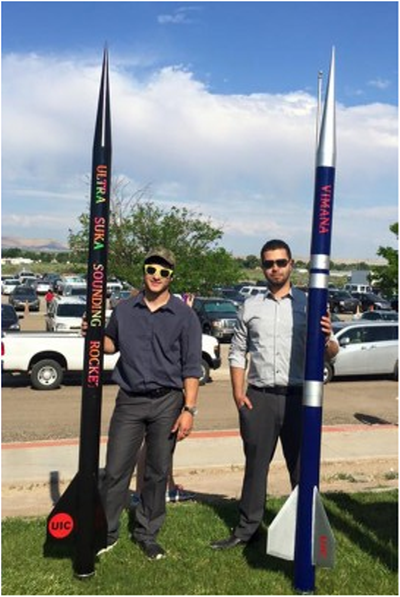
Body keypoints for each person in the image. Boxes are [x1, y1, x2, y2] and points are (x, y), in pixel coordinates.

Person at [210, 239, 339, 550]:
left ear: (291, 264)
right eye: (269, 263)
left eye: (281, 262)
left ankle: (305, 531)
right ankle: (247, 529)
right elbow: (238, 352)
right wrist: (238, 393)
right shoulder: (251, 307)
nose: (275, 268)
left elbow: (331, 353)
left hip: (298, 398)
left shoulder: (311, 304)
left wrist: (326, 337)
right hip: (260, 398)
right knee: (255, 466)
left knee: (301, 468)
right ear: (262, 267)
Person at [98, 248, 202, 560]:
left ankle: (147, 532)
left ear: (172, 276)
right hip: (129, 400)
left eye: (164, 271)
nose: (156, 276)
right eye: (152, 269)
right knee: (116, 469)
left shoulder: (185, 316)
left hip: (168, 403)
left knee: (156, 472)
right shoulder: (125, 309)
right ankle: (106, 532)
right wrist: (92, 334)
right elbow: (111, 345)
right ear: (144, 271)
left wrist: (189, 410)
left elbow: (191, 367)